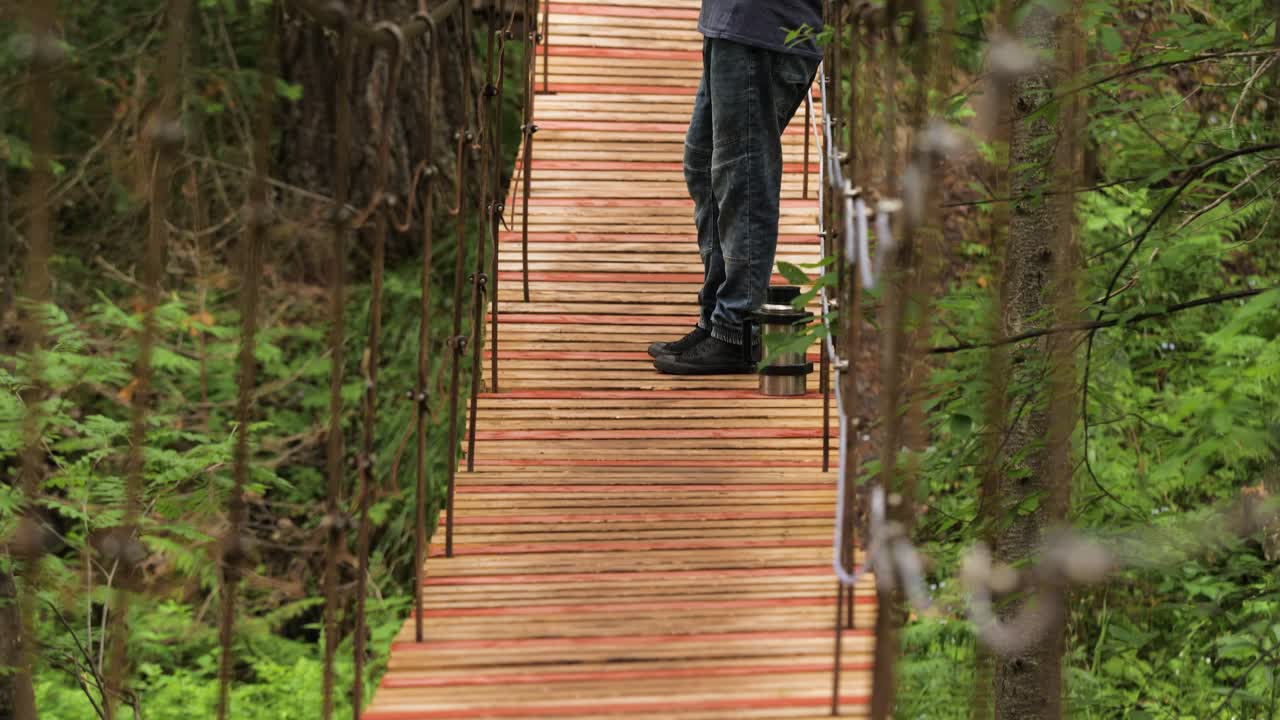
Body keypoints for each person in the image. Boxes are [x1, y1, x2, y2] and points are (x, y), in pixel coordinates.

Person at [650, 0, 824, 375]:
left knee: (742, 176)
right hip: (730, 22)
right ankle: (716, 318)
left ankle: (736, 328)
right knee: (703, 164)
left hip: (766, 29)